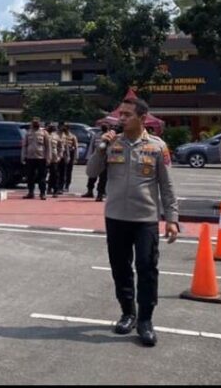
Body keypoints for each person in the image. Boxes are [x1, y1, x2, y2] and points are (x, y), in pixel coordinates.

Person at [86, 96, 178, 347]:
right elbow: (91, 172)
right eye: (120, 115)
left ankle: (145, 320)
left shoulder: (157, 147)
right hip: (116, 217)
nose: (121, 119)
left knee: (147, 267)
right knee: (120, 268)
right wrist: (101, 148)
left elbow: (167, 186)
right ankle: (128, 313)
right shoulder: (111, 143)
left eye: (127, 115)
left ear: (142, 118)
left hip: (145, 218)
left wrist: (171, 218)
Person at [21, 118, 51, 200]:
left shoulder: (44, 133)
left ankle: (42, 193)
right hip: (30, 158)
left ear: (39, 123)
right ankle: (31, 192)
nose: (35, 124)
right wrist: (23, 156)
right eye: (34, 122)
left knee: (42, 176)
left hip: (41, 158)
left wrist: (48, 158)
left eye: (37, 122)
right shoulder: (28, 133)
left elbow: (48, 147)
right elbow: (24, 146)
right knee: (30, 176)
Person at [82, 123, 110, 201]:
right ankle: (89, 191)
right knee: (92, 176)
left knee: (103, 178)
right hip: (96, 158)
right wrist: (89, 157)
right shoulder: (96, 135)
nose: (104, 126)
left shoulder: (110, 136)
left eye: (106, 125)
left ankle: (100, 194)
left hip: (106, 159)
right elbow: (91, 146)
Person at [47, 122, 64, 197]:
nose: (52, 128)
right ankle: (47, 189)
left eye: (53, 127)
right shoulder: (44, 134)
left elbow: (61, 147)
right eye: (50, 126)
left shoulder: (56, 136)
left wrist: (59, 156)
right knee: (43, 174)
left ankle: (55, 190)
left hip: (54, 158)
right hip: (44, 157)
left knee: (54, 174)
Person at [61, 123, 78, 193]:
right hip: (62, 153)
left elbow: (76, 147)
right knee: (62, 171)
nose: (64, 128)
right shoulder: (60, 135)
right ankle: (61, 185)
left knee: (68, 171)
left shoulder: (72, 136)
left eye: (66, 127)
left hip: (70, 154)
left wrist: (75, 158)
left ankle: (67, 186)